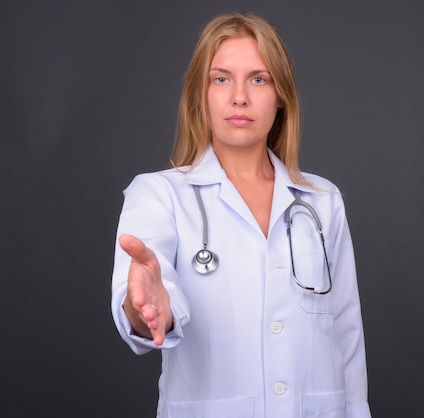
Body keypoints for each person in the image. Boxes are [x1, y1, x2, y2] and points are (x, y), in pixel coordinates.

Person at [111, 11, 371, 418]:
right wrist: (148, 309)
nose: (239, 97)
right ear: (201, 93)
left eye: (258, 78)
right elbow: (145, 300)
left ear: (281, 93)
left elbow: (347, 334)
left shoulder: (322, 201)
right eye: (221, 78)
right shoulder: (158, 194)